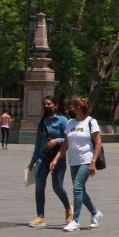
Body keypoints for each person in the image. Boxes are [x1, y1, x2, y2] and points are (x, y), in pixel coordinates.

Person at [50, 97, 103, 232]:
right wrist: (56, 159)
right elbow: (65, 145)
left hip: (86, 160)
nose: (70, 108)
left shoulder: (91, 122)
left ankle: (75, 221)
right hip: (73, 161)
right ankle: (95, 212)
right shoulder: (70, 123)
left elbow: (98, 143)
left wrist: (93, 162)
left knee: (77, 187)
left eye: (72, 106)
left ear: (79, 107)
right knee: (81, 191)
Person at [27, 96, 72, 228]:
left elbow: (70, 138)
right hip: (42, 158)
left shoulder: (63, 120)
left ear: (56, 105)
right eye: (45, 104)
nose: (46, 107)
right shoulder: (42, 122)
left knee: (57, 187)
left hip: (57, 157)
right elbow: (38, 143)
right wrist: (32, 161)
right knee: (39, 187)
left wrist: (57, 140)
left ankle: (68, 209)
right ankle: (40, 217)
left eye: (49, 104)